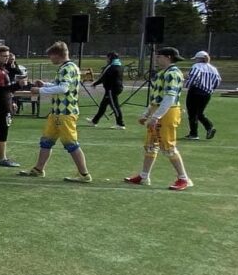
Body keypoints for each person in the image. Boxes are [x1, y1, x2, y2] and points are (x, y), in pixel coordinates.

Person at [18, 41, 93, 183]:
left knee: (71, 144)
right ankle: (38, 169)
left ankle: (84, 174)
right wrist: (45, 85)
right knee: (46, 141)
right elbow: (60, 85)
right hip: (57, 113)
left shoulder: (66, 68)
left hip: (65, 113)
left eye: (51, 56)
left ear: (57, 55)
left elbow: (63, 89)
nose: (50, 59)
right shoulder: (69, 67)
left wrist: (40, 90)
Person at [125, 47, 193, 190]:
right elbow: (157, 97)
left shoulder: (172, 73)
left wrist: (156, 116)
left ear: (168, 57)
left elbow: (169, 97)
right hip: (159, 111)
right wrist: (147, 113)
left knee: (168, 146)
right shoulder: (163, 73)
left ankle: (184, 178)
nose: (156, 59)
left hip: (167, 113)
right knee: (150, 146)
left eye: (159, 56)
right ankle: (144, 176)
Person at [0, 45, 21, 167]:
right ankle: (2, 158)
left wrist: (11, 101)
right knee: (1, 131)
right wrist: (18, 85)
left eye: (7, 56)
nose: (7, 58)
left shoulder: (1, 68)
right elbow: (0, 90)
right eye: (4, 56)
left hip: (2, 103)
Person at [184, 50, 221, 140]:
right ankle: (209, 127)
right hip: (207, 93)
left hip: (195, 91)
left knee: (192, 113)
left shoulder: (197, 66)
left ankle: (194, 134)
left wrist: (186, 84)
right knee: (199, 112)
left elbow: (194, 77)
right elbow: (218, 80)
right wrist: (211, 89)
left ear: (198, 59)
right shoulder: (213, 68)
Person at [89, 51, 125, 129]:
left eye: (107, 58)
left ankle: (120, 124)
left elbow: (103, 77)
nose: (106, 59)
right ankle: (94, 121)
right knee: (103, 105)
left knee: (115, 106)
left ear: (110, 58)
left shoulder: (111, 67)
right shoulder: (120, 65)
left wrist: (95, 83)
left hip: (111, 90)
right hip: (116, 88)